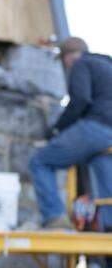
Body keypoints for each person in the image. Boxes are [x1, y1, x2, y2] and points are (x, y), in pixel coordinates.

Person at [28, 37, 112, 235]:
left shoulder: (81, 64)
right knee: (103, 172)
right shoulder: (107, 65)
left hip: (95, 127)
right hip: (109, 134)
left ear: (69, 56)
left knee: (40, 162)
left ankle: (54, 217)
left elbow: (80, 99)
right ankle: (109, 226)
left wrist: (57, 129)